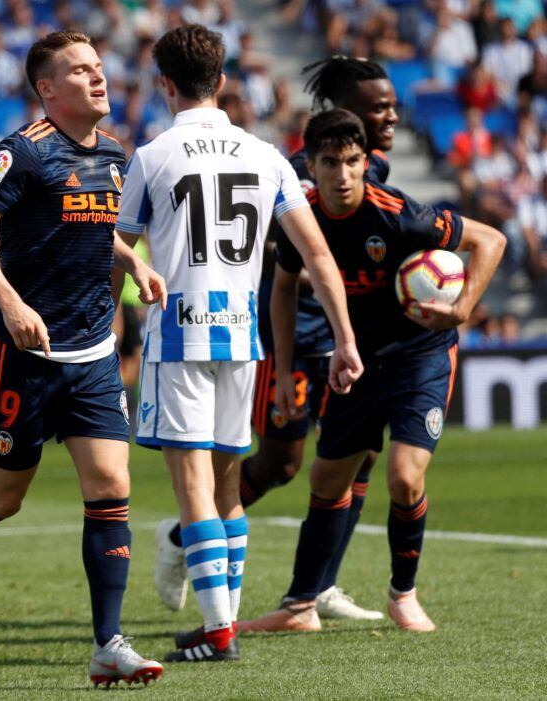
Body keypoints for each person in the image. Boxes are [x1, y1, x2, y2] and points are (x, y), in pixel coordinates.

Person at [0, 30, 167, 688]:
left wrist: (133, 258)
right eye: (79, 70)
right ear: (48, 90)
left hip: (92, 352)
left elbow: (94, 224)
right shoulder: (24, 152)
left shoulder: (114, 155)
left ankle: (108, 643)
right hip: (23, 351)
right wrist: (10, 301)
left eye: (98, 66)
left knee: (111, 485)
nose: (98, 77)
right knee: (5, 496)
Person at [114, 25, 361, 663]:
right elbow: (317, 254)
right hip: (243, 339)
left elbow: (115, 257)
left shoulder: (151, 157)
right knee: (226, 486)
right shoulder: (269, 156)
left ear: (164, 83)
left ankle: (220, 632)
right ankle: (219, 620)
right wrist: (345, 339)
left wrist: (104, 327)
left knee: (194, 488)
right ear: (222, 82)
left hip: (180, 334)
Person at [154, 55, 399, 623]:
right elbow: (257, 246)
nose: (390, 114)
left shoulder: (372, 166)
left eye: (391, 104)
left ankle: (319, 586)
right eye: (378, 106)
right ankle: (180, 536)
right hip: (285, 334)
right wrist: (320, 271)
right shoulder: (297, 166)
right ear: (343, 110)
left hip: (342, 337)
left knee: (357, 458)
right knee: (281, 464)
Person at [242, 109, 505, 633]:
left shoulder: (400, 215)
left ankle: (402, 594)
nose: (343, 174)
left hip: (419, 356)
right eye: (330, 162)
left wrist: (461, 308)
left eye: (353, 161)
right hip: (358, 361)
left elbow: (490, 241)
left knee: (404, 478)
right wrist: (286, 374)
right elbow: (284, 290)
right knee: (326, 477)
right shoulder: (301, 218)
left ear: (366, 163)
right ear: (310, 166)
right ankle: (300, 607)